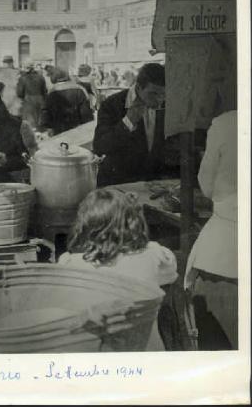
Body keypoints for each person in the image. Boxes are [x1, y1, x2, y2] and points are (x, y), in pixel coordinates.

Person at [58, 188, 178, 351]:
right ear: (132, 221)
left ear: (84, 225)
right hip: (147, 351)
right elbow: (170, 275)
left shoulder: (69, 263)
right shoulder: (154, 254)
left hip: (96, 356)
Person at [185, 110, 237, 349]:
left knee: (217, 354)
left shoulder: (226, 123)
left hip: (225, 256)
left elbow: (207, 185)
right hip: (225, 255)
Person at [93, 63, 175, 187]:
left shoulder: (167, 104)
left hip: (151, 183)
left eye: (163, 94)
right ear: (138, 88)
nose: (160, 100)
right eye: (153, 94)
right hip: (117, 184)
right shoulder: (112, 104)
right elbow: (100, 147)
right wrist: (128, 122)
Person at [42, 67, 93, 135]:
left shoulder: (52, 92)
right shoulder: (79, 89)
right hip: (77, 126)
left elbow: (47, 111)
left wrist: (49, 126)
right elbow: (85, 111)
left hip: (59, 127)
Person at [16, 61, 47, 130]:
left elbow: (19, 93)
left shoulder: (22, 78)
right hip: (40, 101)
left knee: (30, 125)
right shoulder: (41, 77)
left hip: (28, 102)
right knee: (39, 124)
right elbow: (45, 91)